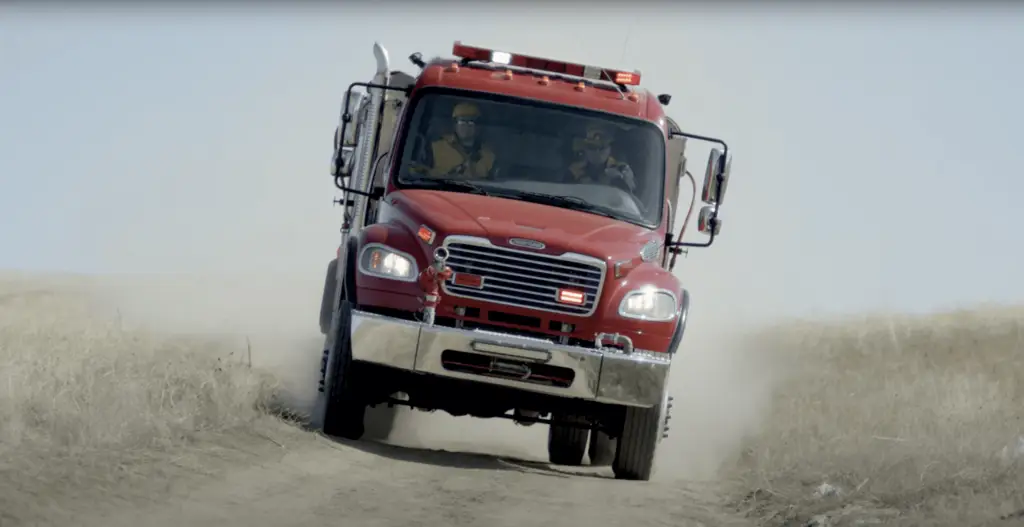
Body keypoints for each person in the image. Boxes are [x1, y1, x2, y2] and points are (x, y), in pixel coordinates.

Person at [413, 102, 498, 180]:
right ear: (454, 125)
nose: (466, 126)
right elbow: (418, 174)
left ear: (478, 127)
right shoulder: (434, 147)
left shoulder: (489, 156)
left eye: (471, 122)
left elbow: (493, 185)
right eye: (461, 121)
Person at [566, 124, 636, 193]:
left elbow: (629, 195)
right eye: (592, 147)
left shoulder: (622, 169)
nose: (597, 151)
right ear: (585, 149)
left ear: (609, 148)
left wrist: (616, 180)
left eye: (602, 147)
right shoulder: (574, 170)